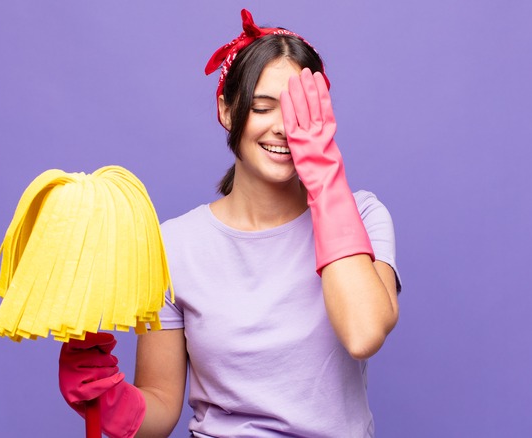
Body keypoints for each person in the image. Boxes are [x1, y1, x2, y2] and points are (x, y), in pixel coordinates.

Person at [58, 9, 401, 438]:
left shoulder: (363, 215)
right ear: (226, 109)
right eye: (262, 107)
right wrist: (109, 398)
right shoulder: (173, 245)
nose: (282, 128)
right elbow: (161, 408)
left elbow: (364, 333)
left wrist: (325, 174)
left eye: (299, 113)